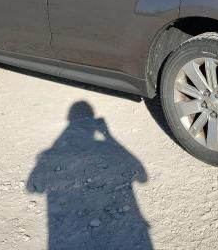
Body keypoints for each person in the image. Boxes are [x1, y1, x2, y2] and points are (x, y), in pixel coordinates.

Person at [28, 101, 151, 249]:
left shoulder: (49, 154)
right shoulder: (102, 149)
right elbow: (142, 177)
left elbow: (32, 187)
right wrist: (108, 136)